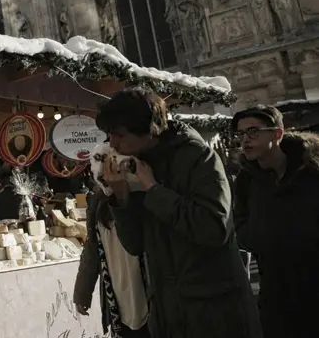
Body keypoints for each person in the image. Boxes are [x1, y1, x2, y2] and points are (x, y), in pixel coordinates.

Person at [97, 88, 261, 338]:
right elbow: (135, 245)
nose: (112, 143)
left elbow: (214, 228)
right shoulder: (138, 164)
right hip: (168, 312)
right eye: (109, 135)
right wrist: (121, 196)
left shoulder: (199, 157)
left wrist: (153, 189)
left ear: (148, 128)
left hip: (215, 310)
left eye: (119, 134)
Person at [232, 105, 319, 338]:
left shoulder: (311, 171)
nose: (245, 140)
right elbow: (240, 223)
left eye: (253, 132)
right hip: (276, 292)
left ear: (277, 134)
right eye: (240, 134)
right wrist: (261, 237)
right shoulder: (246, 180)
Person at [74, 149, 148, 338]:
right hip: (118, 293)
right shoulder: (98, 203)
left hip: (147, 291)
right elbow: (92, 247)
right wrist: (83, 290)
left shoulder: (142, 198)